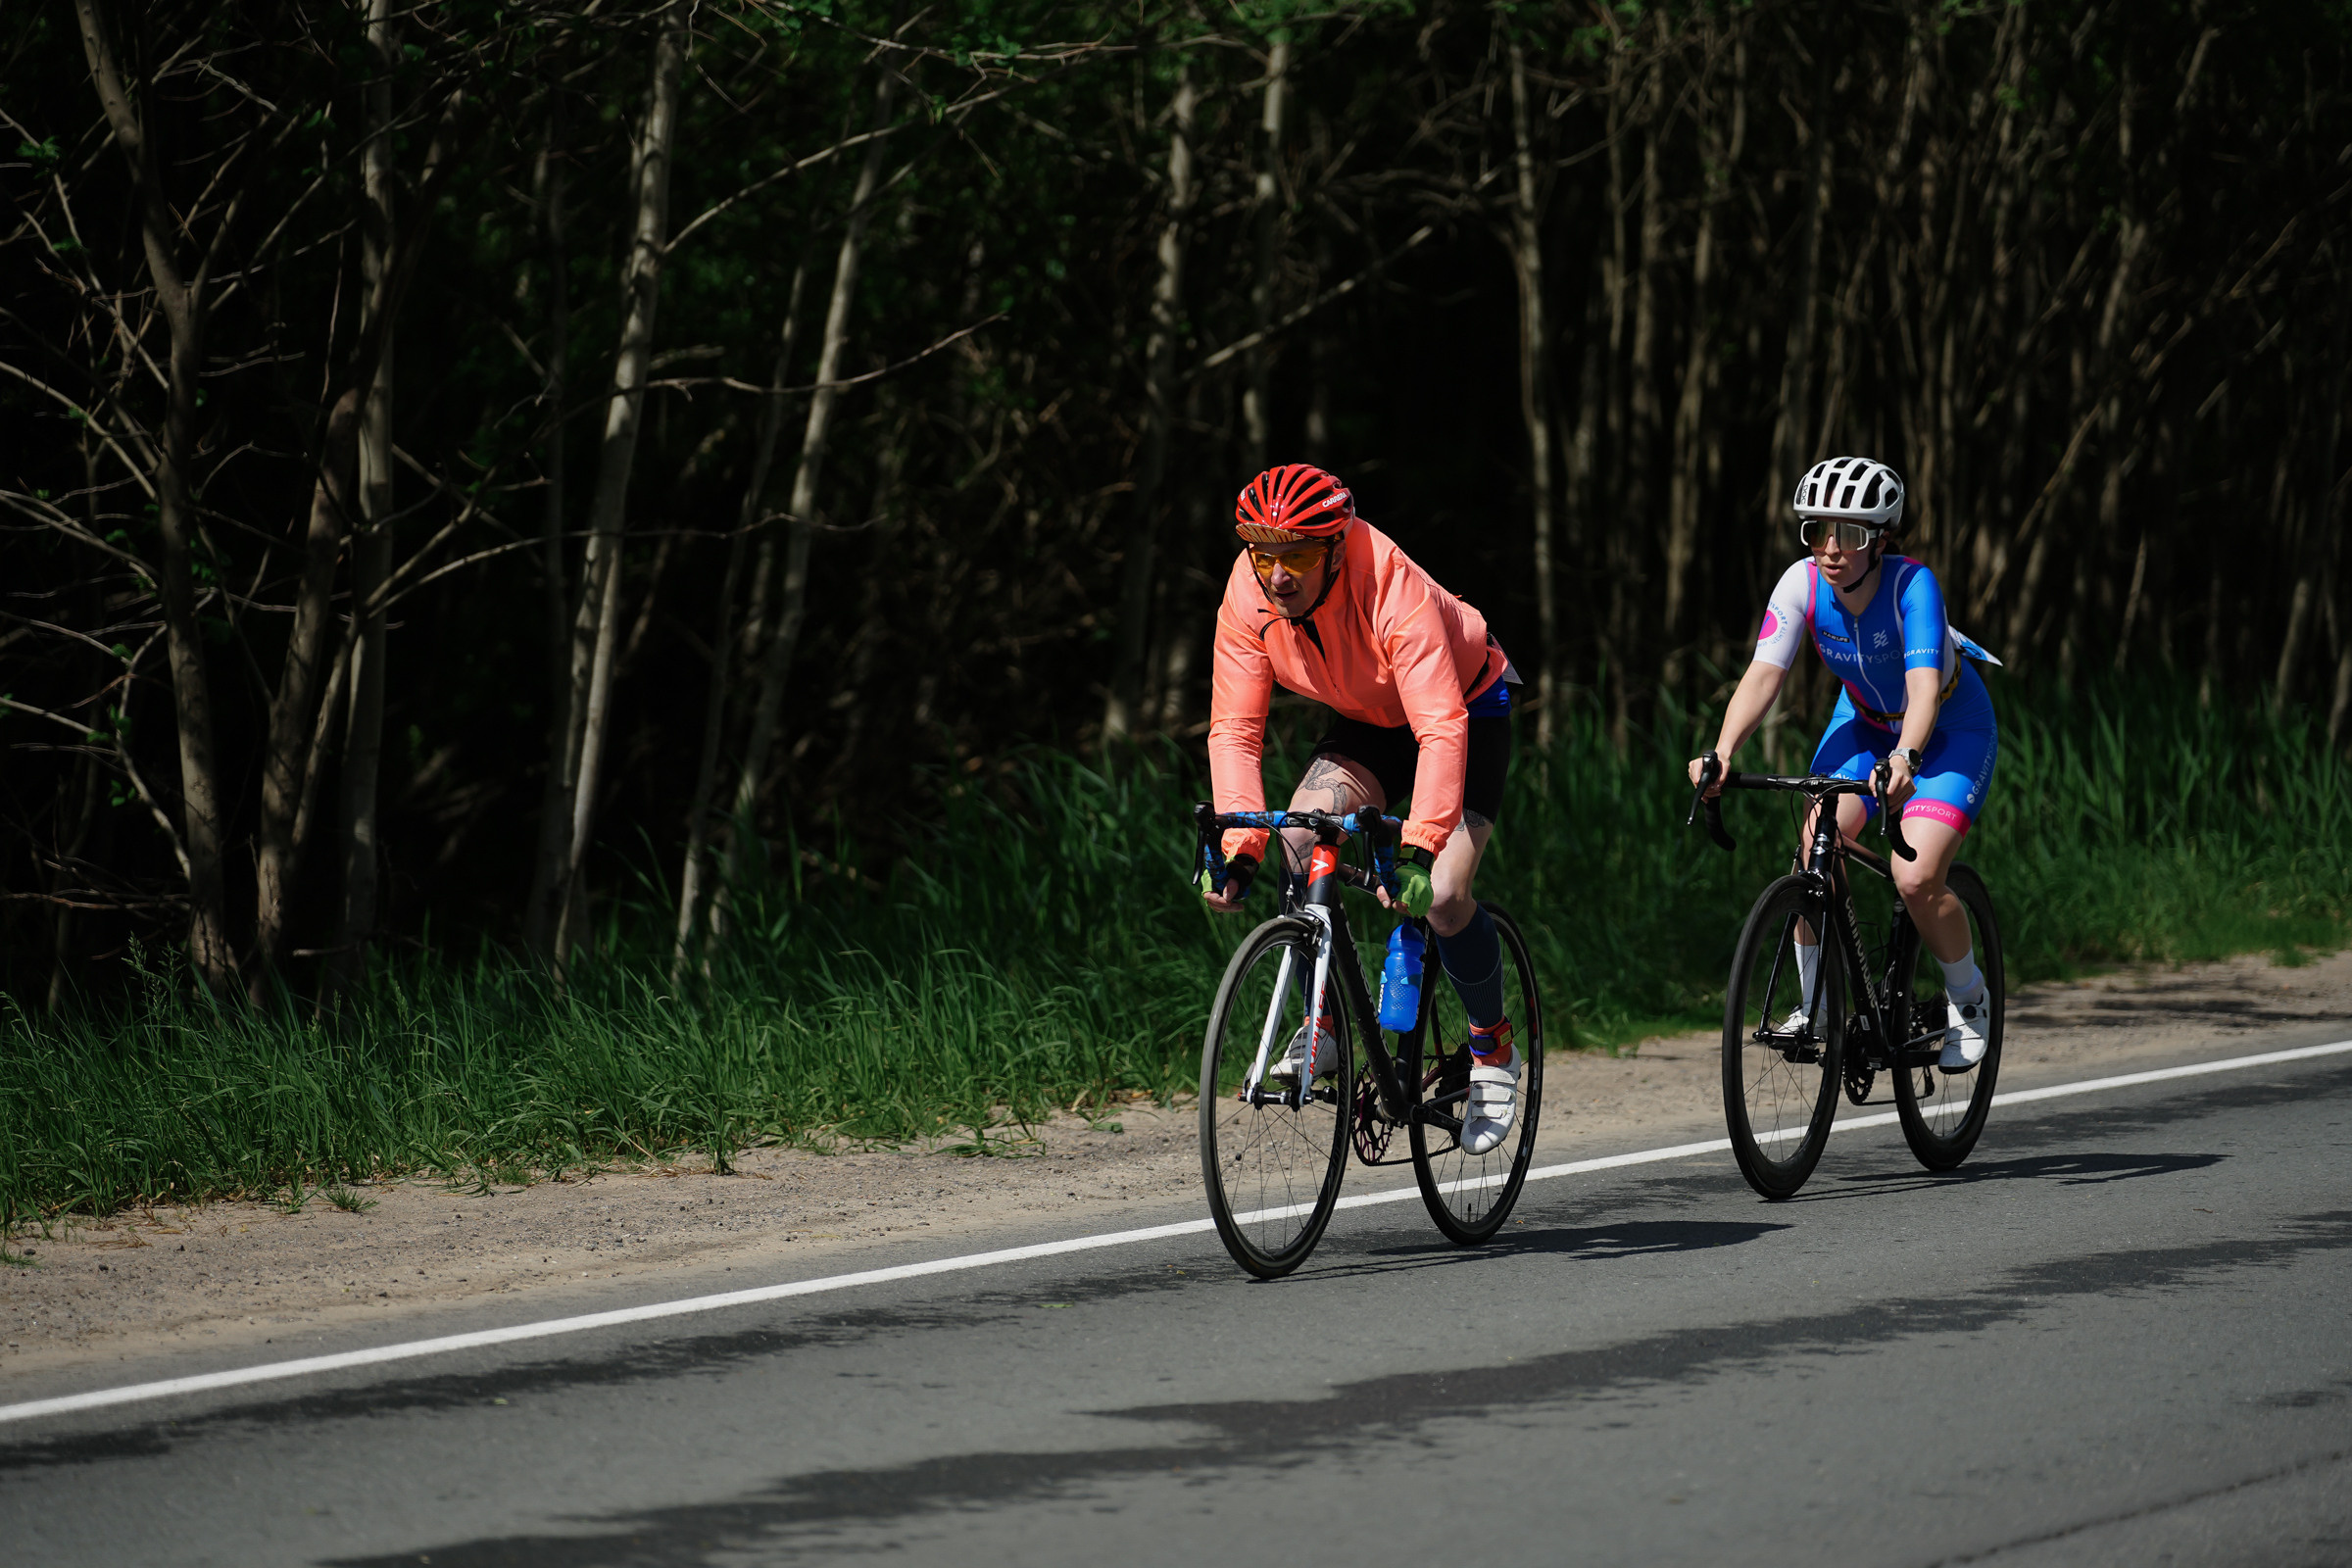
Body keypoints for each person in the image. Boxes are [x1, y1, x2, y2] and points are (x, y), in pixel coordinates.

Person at [1200, 463, 1524, 1153]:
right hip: (1372, 719)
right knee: (1292, 836)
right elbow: (1234, 730)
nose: (1278, 576)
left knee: (1439, 894)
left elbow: (1440, 728)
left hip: (1464, 704)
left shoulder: (1390, 586)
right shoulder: (1246, 591)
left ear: (1339, 548)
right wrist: (1238, 844)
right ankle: (1319, 1023)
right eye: (1265, 555)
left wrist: (1420, 844)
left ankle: (1494, 1050)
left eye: (1300, 556)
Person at [1688, 456, 2001, 1068]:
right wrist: (1723, 753)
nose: (1831, 548)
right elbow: (1762, 677)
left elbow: (1921, 691)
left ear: (1881, 538)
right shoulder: (1800, 584)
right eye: (1818, 530)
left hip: (1946, 729)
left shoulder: (1915, 587)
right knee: (1815, 849)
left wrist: (1906, 757)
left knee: (1913, 877)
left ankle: (1969, 997)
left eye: (1850, 534)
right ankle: (1820, 1006)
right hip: (1860, 722)